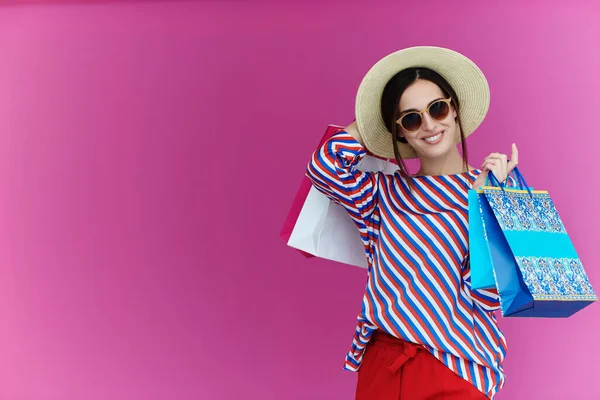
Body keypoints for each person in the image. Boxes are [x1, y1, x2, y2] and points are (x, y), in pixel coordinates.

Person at [305, 46, 518, 399]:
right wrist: (374, 119)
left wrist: (483, 202)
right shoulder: (381, 194)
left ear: (455, 109)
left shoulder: (494, 189)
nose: (430, 125)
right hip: (383, 364)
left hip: (458, 367)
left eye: (437, 108)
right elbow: (324, 167)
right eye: (412, 118)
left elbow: (490, 297)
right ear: (400, 131)